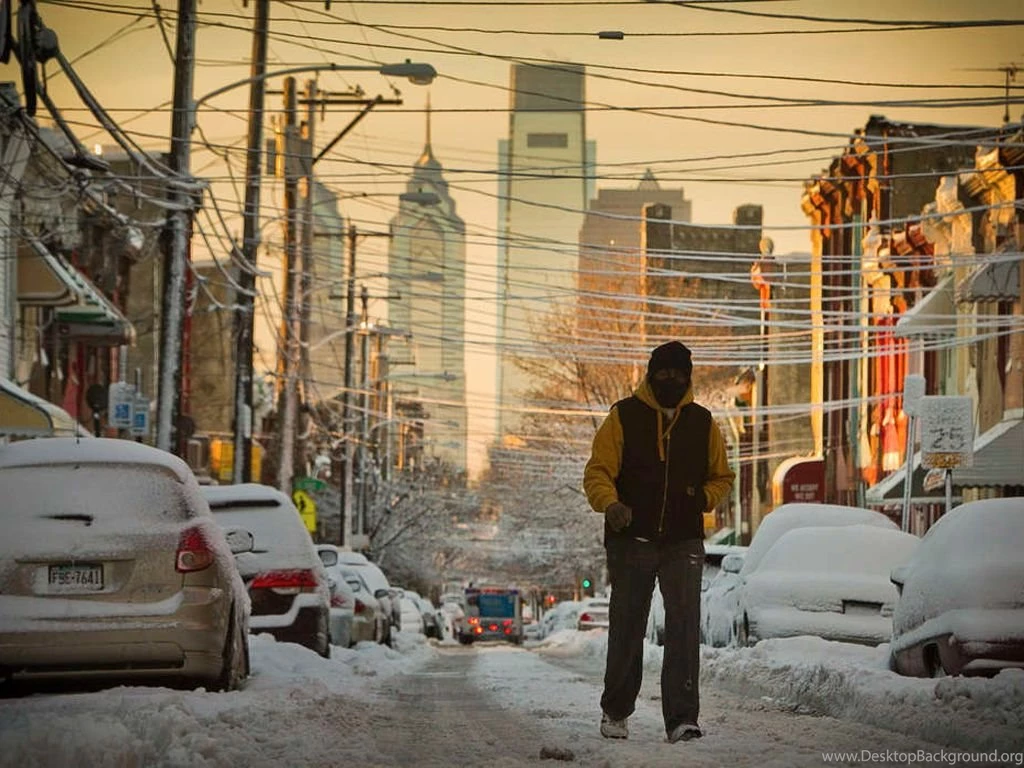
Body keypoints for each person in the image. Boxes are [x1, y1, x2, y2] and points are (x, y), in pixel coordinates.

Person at [583, 340, 735, 744]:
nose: (671, 380)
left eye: (678, 374)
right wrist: (610, 504)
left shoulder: (702, 423)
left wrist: (703, 499)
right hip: (631, 539)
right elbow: (597, 471)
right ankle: (615, 710)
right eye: (663, 373)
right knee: (628, 625)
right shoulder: (623, 416)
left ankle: (682, 718)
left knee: (684, 629)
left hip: (682, 541)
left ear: (688, 376)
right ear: (651, 374)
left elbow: (722, 476)